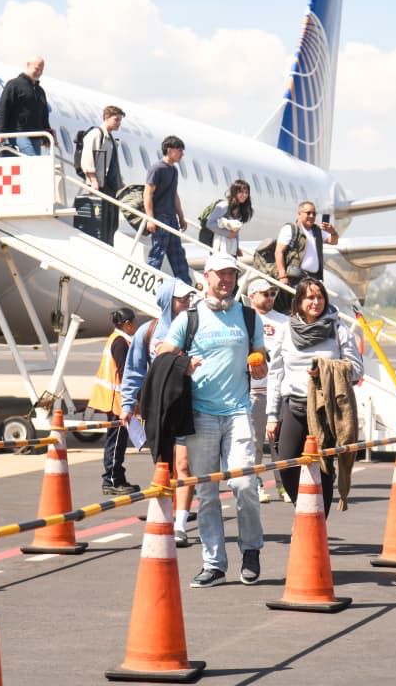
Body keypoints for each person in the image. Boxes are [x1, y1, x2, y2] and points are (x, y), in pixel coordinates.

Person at [158, 252, 267, 587]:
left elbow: (261, 356)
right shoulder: (189, 318)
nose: (226, 281)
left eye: (232, 275)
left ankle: (250, 551)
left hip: (237, 412)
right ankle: (214, 564)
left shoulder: (248, 317)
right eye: (220, 275)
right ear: (206, 277)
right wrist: (182, 364)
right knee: (206, 491)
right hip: (201, 414)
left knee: (245, 484)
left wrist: (259, 364)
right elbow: (163, 351)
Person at [266, 277, 363, 517]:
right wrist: (271, 414)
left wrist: (327, 370)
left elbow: (357, 369)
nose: (315, 302)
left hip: (325, 409)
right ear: (299, 301)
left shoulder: (338, 330)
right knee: (287, 463)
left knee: (323, 468)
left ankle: (318, 522)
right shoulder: (285, 331)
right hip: (295, 405)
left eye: (320, 297)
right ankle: (305, 512)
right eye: (310, 297)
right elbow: (275, 374)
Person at [119, 278, 198, 546]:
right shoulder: (148, 331)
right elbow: (134, 369)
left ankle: (180, 523)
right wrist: (127, 404)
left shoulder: (194, 326)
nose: (186, 303)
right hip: (158, 406)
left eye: (188, 298)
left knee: (184, 465)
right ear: (166, 300)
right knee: (163, 464)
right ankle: (165, 513)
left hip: (190, 403)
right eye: (180, 298)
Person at [245, 278, 289, 504]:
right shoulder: (244, 318)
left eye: (273, 293)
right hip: (253, 391)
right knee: (254, 443)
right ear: (252, 295)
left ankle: (284, 486)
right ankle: (257, 484)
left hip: (278, 390)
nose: (270, 297)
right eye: (265, 294)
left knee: (279, 444)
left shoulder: (284, 321)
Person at [89, 307, 138, 496]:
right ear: (127, 324)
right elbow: (126, 373)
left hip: (116, 399)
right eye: (133, 322)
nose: (135, 326)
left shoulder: (117, 339)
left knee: (118, 442)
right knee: (116, 442)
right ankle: (111, 480)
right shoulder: (120, 342)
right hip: (116, 400)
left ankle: (118, 477)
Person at [273, 201, 338, 314]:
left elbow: (334, 241)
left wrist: (333, 232)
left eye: (314, 213)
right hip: (295, 279)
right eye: (308, 213)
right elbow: (279, 252)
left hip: (312, 279)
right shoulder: (291, 229)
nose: (312, 216)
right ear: (299, 214)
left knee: (309, 310)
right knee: (293, 310)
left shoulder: (317, 231)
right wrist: (282, 276)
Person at [143, 136, 191, 285]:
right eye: (180, 150)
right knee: (158, 251)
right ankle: (148, 280)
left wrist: (181, 217)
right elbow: (147, 193)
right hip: (160, 216)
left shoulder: (174, 170)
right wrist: (150, 218)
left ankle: (186, 285)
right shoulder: (157, 168)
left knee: (177, 253)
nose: (182, 154)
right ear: (169, 150)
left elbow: (174, 194)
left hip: (171, 217)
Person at [79, 105, 125, 244]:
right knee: (101, 222)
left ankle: (108, 244)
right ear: (106, 118)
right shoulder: (96, 134)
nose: (118, 123)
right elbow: (87, 159)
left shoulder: (110, 138)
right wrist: (93, 180)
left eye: (120, 120)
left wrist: (120, 182)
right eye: (116, 119)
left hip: (110, 187)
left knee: (111, 221)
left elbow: (112, 164)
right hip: (100, 185)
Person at [0, 56, 51, 156]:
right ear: (28, 65)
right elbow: (3, 108)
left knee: (36, 162)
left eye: (41, 70)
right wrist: (0, 131)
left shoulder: (40, 91)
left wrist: (47, 135)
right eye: (37, 69)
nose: (39, 72)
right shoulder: (14, 85)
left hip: (36, 135)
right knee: (32, 159)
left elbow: (44, 115)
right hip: (19, 133)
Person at [204, 179, 253, 256]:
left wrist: (236, 248)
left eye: (246, 193)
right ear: (234, 192)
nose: (244, 195)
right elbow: (209, 224)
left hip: (231, 249)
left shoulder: (241, 209)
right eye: (240, 192)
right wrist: (228, 234)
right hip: (219, 248)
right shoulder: (224, 206)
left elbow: (235, 232)